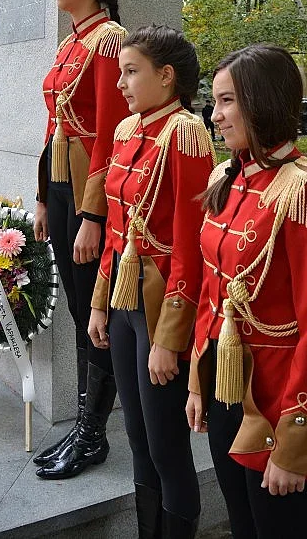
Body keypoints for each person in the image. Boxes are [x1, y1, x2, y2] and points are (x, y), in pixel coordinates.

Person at [186, 45, 307, 539]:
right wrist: (198, 381)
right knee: (241, 525)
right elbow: (212, 291)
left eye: (227, 101)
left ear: (261, 101)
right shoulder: (226, 177)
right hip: (227, 387)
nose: (216, 114)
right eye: (216, 101)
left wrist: (294, 442)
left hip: (279, 399)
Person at [88, 26, 215, 538]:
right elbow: (117, 230)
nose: (120, 84)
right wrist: (100, 304)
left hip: (161, 305)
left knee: (165, 440)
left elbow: (189, 245)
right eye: (120, 72)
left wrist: (169, 337)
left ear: (166, 77)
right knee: (137, 437)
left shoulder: (185, 132)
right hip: (122, 297)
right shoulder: (125, 131)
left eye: (131, 72)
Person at [33, 0, 129, 480]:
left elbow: (112, 137)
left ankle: (94, 433)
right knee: (75, 303)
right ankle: (84, 423)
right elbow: (53, 127)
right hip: (64, 183)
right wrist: (47, 197)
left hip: (94, 191)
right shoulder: (71, 44)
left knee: (94, 307)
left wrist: (93, 216)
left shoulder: (108, 41)